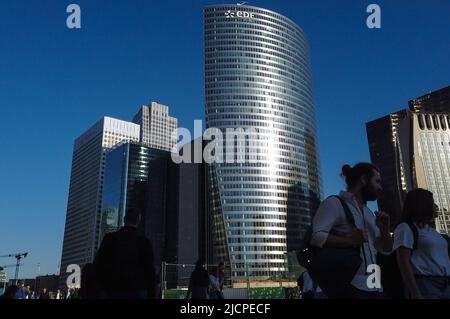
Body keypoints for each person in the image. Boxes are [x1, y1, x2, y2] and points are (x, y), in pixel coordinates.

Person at [310, 163, 393, 298]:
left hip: (375, 285)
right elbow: (316, 237)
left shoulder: (369, 213)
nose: (380, 187)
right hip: (349, 286)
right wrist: (350, 241)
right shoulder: (334, 203)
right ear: (364, 180)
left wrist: (384, 230)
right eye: (377, 181)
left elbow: (386, 249)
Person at [394, 189, 450, 299]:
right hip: (426, 286)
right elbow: (403, 262)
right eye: (432, 202)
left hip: (446, 284)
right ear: (423, 204)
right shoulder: (406, 228)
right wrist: (415, 293)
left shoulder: (432, 231)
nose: (436, 206)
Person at [94, 207, 156, 299]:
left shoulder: (109, 238)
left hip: (112, 289)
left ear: (124, 219)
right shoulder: (144, 242)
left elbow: (98, 265)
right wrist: (152, 293)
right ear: (138, 221)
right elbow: (150, 270)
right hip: (137, 290)